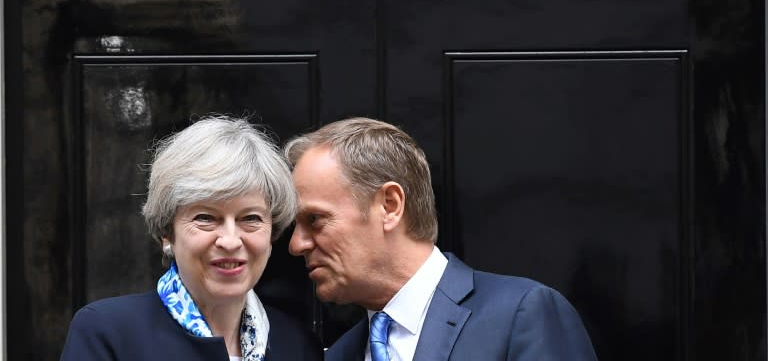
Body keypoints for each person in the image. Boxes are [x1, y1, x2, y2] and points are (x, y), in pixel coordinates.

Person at [285, 117, 598, 361]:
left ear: (389, 206)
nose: (296, 245)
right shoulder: (340, 354)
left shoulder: (519, 315)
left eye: (315, 220)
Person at [61, 116, 323, 361]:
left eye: (250, 218)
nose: (230, 241)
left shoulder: (298, 344)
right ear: (167, 234)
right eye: (206, 218)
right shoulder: (108, 333)